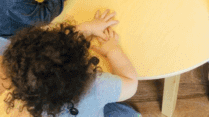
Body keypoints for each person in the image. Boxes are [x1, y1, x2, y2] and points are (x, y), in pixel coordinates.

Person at [1, 9, 140, 117]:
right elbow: (131, 83)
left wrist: (87, 28)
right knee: (127, 112)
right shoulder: (97, 86)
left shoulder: (25, 96)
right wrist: (112, 50)